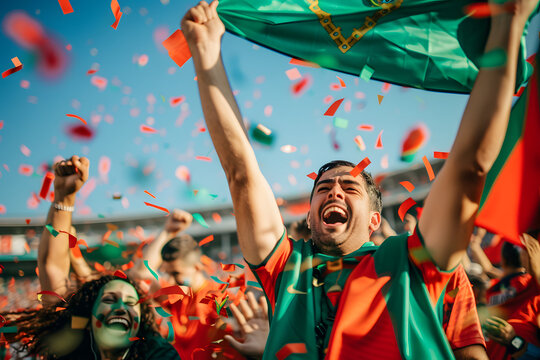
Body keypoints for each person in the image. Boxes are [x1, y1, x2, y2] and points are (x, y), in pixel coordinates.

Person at [180, 0, 539, 358]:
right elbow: (241, 173)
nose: (334, 189)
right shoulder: (286, 269)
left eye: (349, 186)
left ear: (374, 219)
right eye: (323, 188)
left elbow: (468, 168)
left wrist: (507, 25)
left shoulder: (413, 262)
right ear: (308, 217)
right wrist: (205, 50)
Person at [5, 156, 180, 360]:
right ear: (88, 315)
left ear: (140, 323)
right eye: (109, 299)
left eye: (132, 303)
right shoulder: (74, 347)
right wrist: (63, 198)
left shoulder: (156, 353)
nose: (121, 308)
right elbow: (53, 269)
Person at [129, 209, 246, 359]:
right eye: (169, 274)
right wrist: (168, 231)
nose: (170, 280)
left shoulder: (220, 297)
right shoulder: (176, 295)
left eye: (176, 274)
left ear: (198, 267)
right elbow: (139, 274)